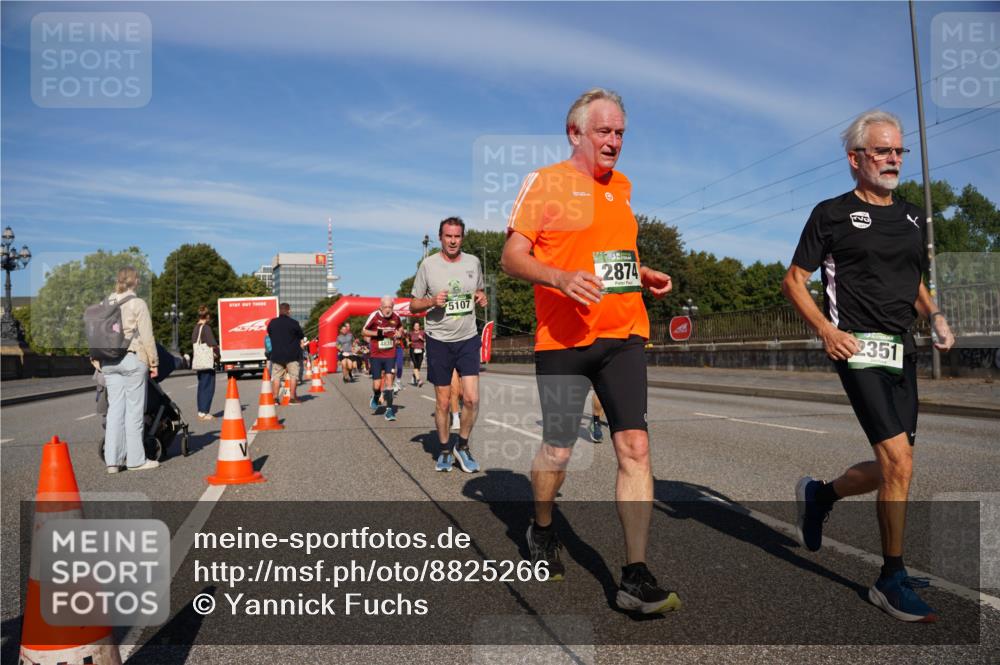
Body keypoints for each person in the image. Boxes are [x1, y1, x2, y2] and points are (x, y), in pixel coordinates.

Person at [501, 88, 677, 613]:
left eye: (621, 132)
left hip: (623, 335)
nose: (615, 142)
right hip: (563, 341)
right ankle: (542, 525)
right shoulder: (546, 182)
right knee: (558, 450)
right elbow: (512, 256)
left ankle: (634, 575)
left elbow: (613, 254)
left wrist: (640, 272)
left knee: (636, 450)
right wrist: (556, 276)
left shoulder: (621, 188)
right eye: (605, 131)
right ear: (575, 132)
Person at [782, 109, 955, 623]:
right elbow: (794, 280)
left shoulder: (911, 217)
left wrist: (936, 316)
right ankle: (890, 578)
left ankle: (821, 495)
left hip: (903, 351)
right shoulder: (830, 214)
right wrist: (827, 331)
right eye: (883, 151)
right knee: (899, 463)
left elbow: (913, 282)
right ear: (855, 158)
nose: (894, 160)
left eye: (899, 151)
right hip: (856, 349)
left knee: (891, 467)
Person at [410, 217, 487, 473]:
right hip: (439, 340)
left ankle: (462, 446)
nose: (453, 241)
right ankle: (444, 449)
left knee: (472, 399)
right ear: (440, 237)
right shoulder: (428, 265)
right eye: (448, 236)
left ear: (462, 237)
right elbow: (413, 305)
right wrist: (432, 301)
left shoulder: (473, 262)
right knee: (443, 402)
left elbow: (479, 290)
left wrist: (481, 296)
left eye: (457, 236)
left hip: (467, 337)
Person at [101, 266, 160, 473]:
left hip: (108, 361)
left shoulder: (106, 302)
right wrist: (153, 362)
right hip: (131, 358)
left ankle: (112, 461)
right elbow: (147, 336)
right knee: (134, 412)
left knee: (114, 411)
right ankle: (136, 460)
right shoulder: (138, 303)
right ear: (135, 282)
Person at [362, 296, 404, 421]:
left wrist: (399, 333)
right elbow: (364, 331)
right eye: (385, 307)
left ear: (393, 307)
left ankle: (389, 411)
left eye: (390, 307)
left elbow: (400, 328)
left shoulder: (396, 317)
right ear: (380, 307)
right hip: (376, 355)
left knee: (389, 382)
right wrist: (380, 333)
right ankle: (376, 396)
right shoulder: (374, 316)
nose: (387, 310)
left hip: (390, 354)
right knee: (377, 384)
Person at [266, 303, 307, 405]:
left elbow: (270, 334)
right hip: (292, 355)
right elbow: (301, 335)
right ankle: (292, 398)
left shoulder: (272, 323)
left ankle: (275, 399)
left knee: (276, 377)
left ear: (279, 310)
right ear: (288, 311)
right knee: (293, 376)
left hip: (277, 355)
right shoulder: (294, 323)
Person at [192, 305, 219, 420]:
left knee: (201, 385)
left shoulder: (195, 328)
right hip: (207, 362)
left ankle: (201, 411)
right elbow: (212, 343)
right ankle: (204, 411)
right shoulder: (206, 328)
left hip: (199, 361)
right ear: (207, 316)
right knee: (208, 386)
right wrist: (218, 354)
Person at [409, 321, 426, 386]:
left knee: (419, 365)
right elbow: (408, 339)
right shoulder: (410, 333)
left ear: (419, 327)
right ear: (413, 327)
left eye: (418, 326)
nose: (417, 327)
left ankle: (414, 376)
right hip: (413, 350)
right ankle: (418, 380)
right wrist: (408, 342)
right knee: (415, 364)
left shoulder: (422, 332)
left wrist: (422, 339)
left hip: (420, 350)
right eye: (415, 326)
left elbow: (425, 340)